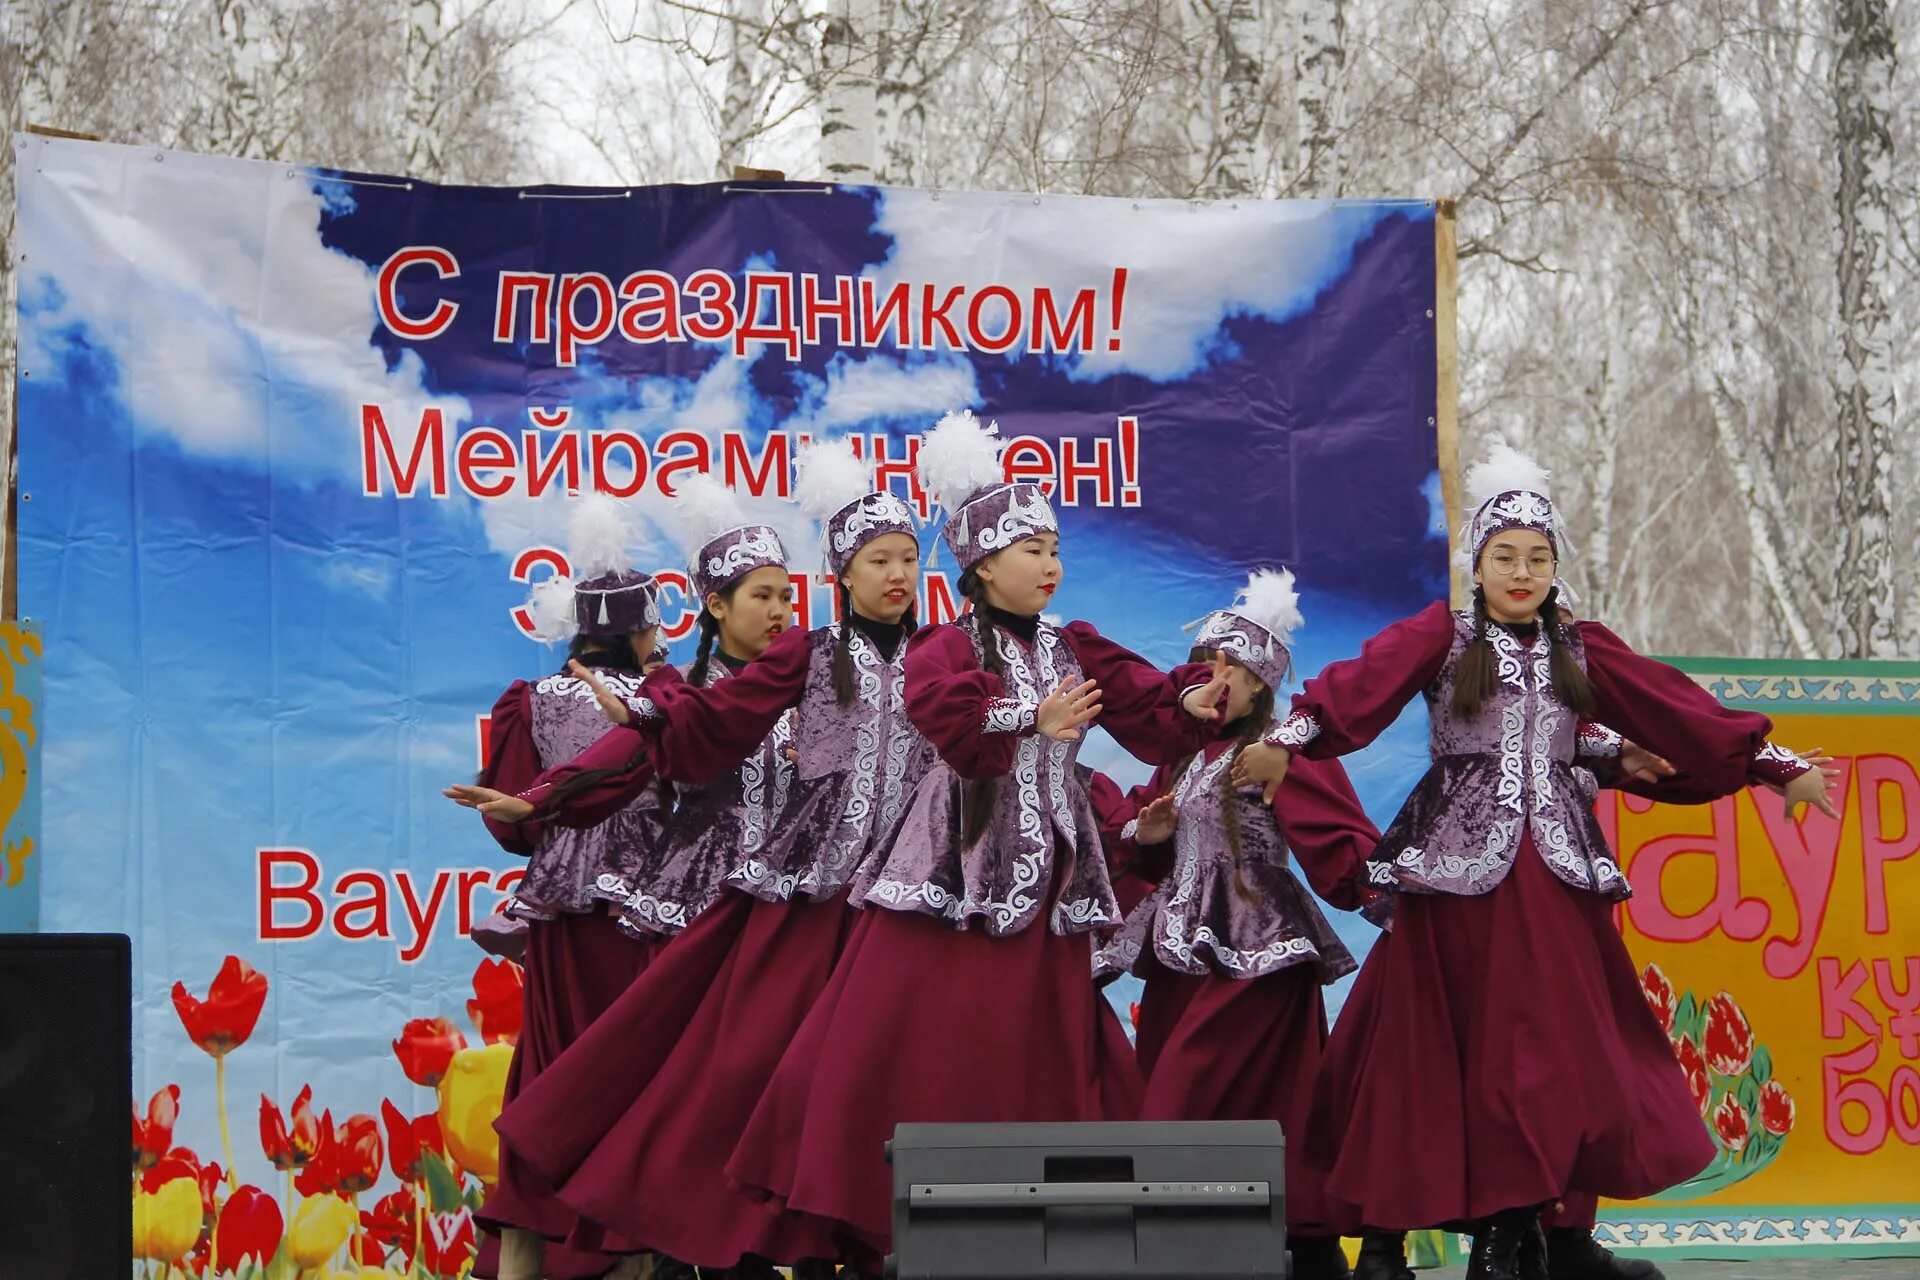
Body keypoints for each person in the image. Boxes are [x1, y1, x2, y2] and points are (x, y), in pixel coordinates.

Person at [1229, 445, 1835, 1280]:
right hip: (1455, 875)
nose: (1521, 572)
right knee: (1426, 1049)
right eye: (1505, 556)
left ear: (1556, 567)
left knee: (1555, 1053)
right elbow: (1357, 692)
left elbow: (1671, 707)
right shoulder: (1444, 633)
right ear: (1477, 564)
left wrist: (1775, 767)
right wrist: (1287, 743)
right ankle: (1392, 1242)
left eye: (1537, 558)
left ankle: (1523, 1232)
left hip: (1553, 874)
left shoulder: (1579, 646)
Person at [725, 409, 1232, 1270]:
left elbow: (1143, 701)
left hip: (1043, 884)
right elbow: (946, 718)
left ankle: (1039, 1231)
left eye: (1056, 548)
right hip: (953, 875)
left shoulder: (1073, 645)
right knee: (912, 1046)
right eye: (1032, 548)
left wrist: (1183, 705)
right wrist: (1030, 716)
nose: (1051, 564)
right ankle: (876, 1221)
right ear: (983, 564)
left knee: (1037, 1046)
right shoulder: (947, 644)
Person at [489, 450, 934, 1279]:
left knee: (842, 1092)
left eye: (781, 595)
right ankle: (696, 1250)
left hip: (858, 906)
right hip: (729, 905)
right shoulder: (726, 680)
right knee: (711, 1091)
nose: (775, 610)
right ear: (714, 605)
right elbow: (651, 743)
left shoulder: (924, 659)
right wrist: (544, 799)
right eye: (758, 596)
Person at [1095, 569, 1383, 1280]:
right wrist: (1146, 831)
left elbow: (1338, 834)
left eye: (1234, 672)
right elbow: (1125, 831)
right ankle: (1249, 1252)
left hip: (1256, 957)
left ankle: (1305, 1246)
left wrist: (1396, 897)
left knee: (1193, 1097)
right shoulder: (1180, 758)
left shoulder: (1278, 751)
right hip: (1181, 957)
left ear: (1262, 687)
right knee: (1185, 1084)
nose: (1217, 681)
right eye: (1204, 669)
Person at [446, 495, 668, 1280]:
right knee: (638, 1090)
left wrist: (564, 831)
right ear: (643, 633)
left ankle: (523, 1258)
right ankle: (631, 1259)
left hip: (566, 920)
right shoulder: (662, 703)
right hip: (651, 919)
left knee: (550, 1079)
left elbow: (512, 828)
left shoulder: (533, 703)